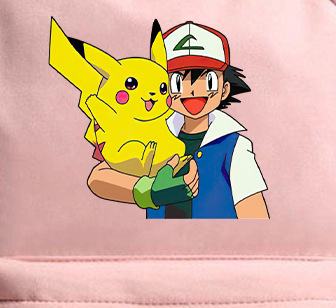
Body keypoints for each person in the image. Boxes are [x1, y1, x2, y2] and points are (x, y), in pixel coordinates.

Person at [88, 22, 268, 219]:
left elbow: (254, 215)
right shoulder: (150, 129)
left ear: (224, 90)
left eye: (208, 80)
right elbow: (98, 177)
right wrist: (149, 191)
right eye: (176, 82)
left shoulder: (235, 147)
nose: (192, 90)